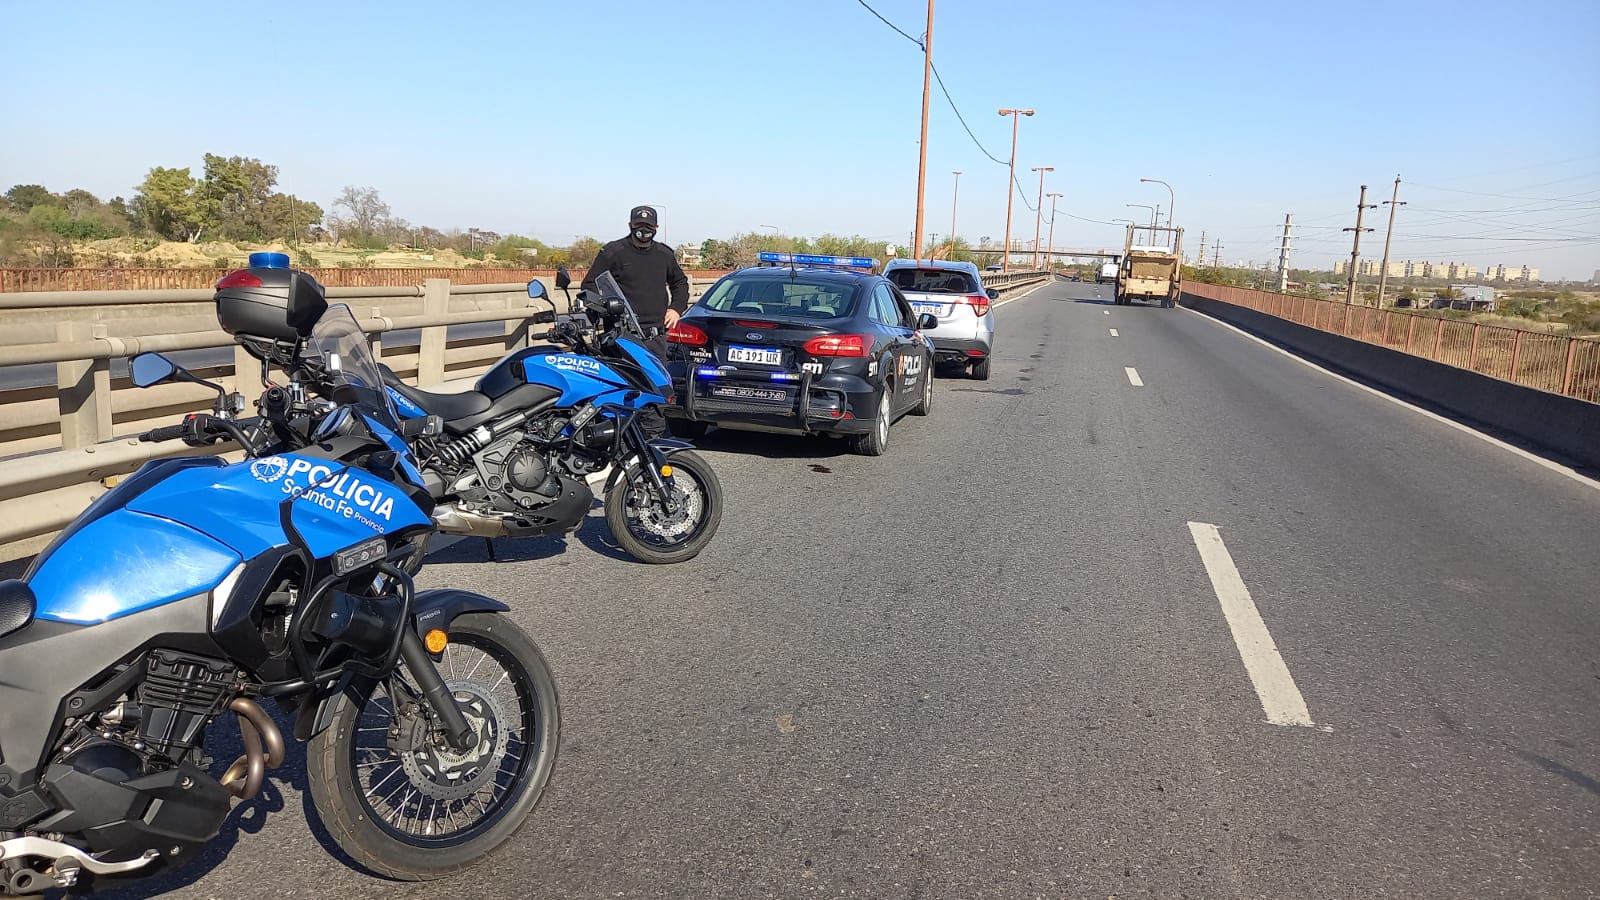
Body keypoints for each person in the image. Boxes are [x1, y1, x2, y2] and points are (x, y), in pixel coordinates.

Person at [582, 205, 690, 438]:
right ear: (630, 225)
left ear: (656, 228)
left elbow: (680, 283)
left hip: (654, 338)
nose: (644, 230)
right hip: (621, 337)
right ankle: (616, 438)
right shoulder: (613, 252)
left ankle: (652, 442)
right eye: (639, 225)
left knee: (655, 392)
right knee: (621, 391)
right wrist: (606, 307)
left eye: (648, 226)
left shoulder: (664, 254)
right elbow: (589, 286)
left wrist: (676, 308)